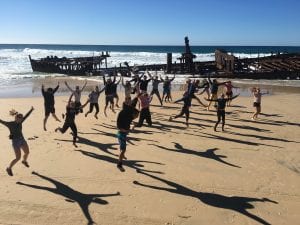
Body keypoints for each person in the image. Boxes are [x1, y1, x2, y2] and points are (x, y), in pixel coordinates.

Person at [0, 106, 34, 176]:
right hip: (15, 142)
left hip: (22, 139)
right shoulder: (10, 124)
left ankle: (24, 161)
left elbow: (26, 116)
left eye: (21, 119)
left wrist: (31, 110)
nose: (21, 120)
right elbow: (1, 121)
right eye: (20, 119)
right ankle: (9, 168)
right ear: (16, 118)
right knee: (18, 157)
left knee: (27, 152)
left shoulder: (20, 122)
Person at [116, 97, 139, 171]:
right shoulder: (123, 112)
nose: (129, 102)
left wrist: (133, 121)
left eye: (129, 101)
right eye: (127, 101)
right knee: (123, 149)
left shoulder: (129, 113)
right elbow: (118, 125)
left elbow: (136, 113)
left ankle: (122, 156)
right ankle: (119, 164)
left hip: (122, 133)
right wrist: (124, 130)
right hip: (121, 133)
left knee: (122, 148)